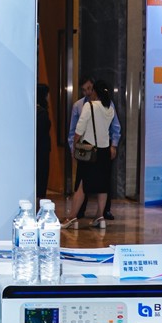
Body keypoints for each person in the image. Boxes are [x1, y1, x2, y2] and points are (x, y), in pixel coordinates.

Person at [62, 79, 116, 229]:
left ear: (95, 92)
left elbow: (79, 130)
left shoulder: (89, 106)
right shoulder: (110, 108)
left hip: (89, 152)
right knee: (103, 186)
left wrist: (74, 146)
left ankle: (72, 217)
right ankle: (100, 217)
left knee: (81, 184)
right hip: (104, 151)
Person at [36, 83, 51, 202]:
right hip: (41, 150)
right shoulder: (41, 113)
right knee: (41, 177)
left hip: (37, 149)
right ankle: (38, 203)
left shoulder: (33, 111)